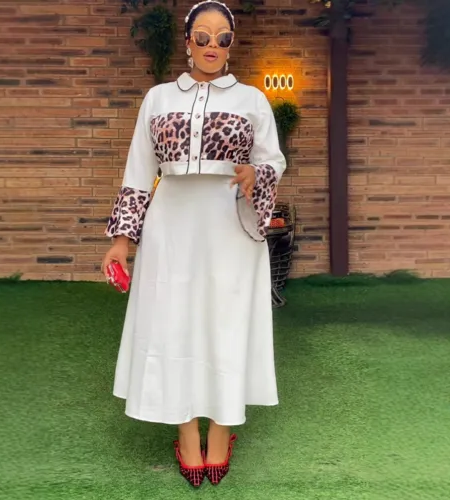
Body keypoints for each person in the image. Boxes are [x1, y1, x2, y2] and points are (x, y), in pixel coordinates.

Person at [102, 0, 286, 487]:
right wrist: (122, 240)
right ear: (187, 41)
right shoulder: (158, 98)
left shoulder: (252, 100)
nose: (212, 45)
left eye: (222, 37)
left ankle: (221, 432)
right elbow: (138, 171)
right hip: (170, 225)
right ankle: (186, 434)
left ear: (231, 44)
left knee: (227, 322)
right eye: (202, 36)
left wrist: (257, 174)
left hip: (231, 224)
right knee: (172, 322)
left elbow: (273, 161)